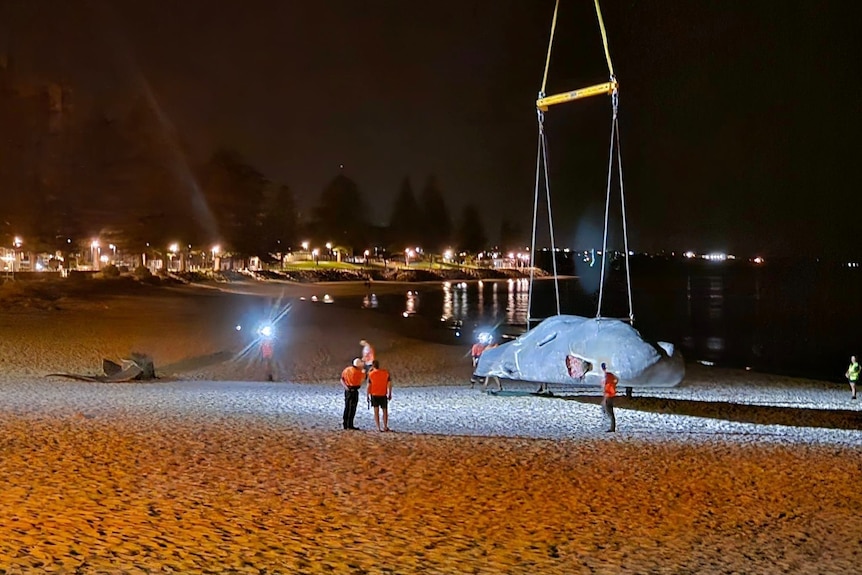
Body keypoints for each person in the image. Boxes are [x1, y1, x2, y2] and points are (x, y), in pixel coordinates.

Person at [367, 359, 392, 432]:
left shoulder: (371, 374)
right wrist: (390, 393)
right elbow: (389, 384)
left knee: (376, 411)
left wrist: (367, 395)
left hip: (374, 394)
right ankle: (385, 426)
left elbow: (368, 386)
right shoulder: (385, 373)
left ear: (373, 366)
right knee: (385, 411)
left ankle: (378, 427)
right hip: (383, 394)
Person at [341, 358, 365, 430]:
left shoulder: (347, 369)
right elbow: (361, 381)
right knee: (352, 408)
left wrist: (345, 387)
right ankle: (350, 424)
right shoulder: (358, 372)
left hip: (347, 390)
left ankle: (345, 424)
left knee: (347, 407)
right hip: (354, 390)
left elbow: (342, 379)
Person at [601, 362, 618, 432]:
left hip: (609, 395)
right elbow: (616, 380)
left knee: (609, 411)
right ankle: (610, 425)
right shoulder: (609, 375)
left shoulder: (607, 376)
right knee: (605, 408)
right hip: (609, 395)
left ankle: (612, 427)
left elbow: (609, 384)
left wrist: (608, 392)